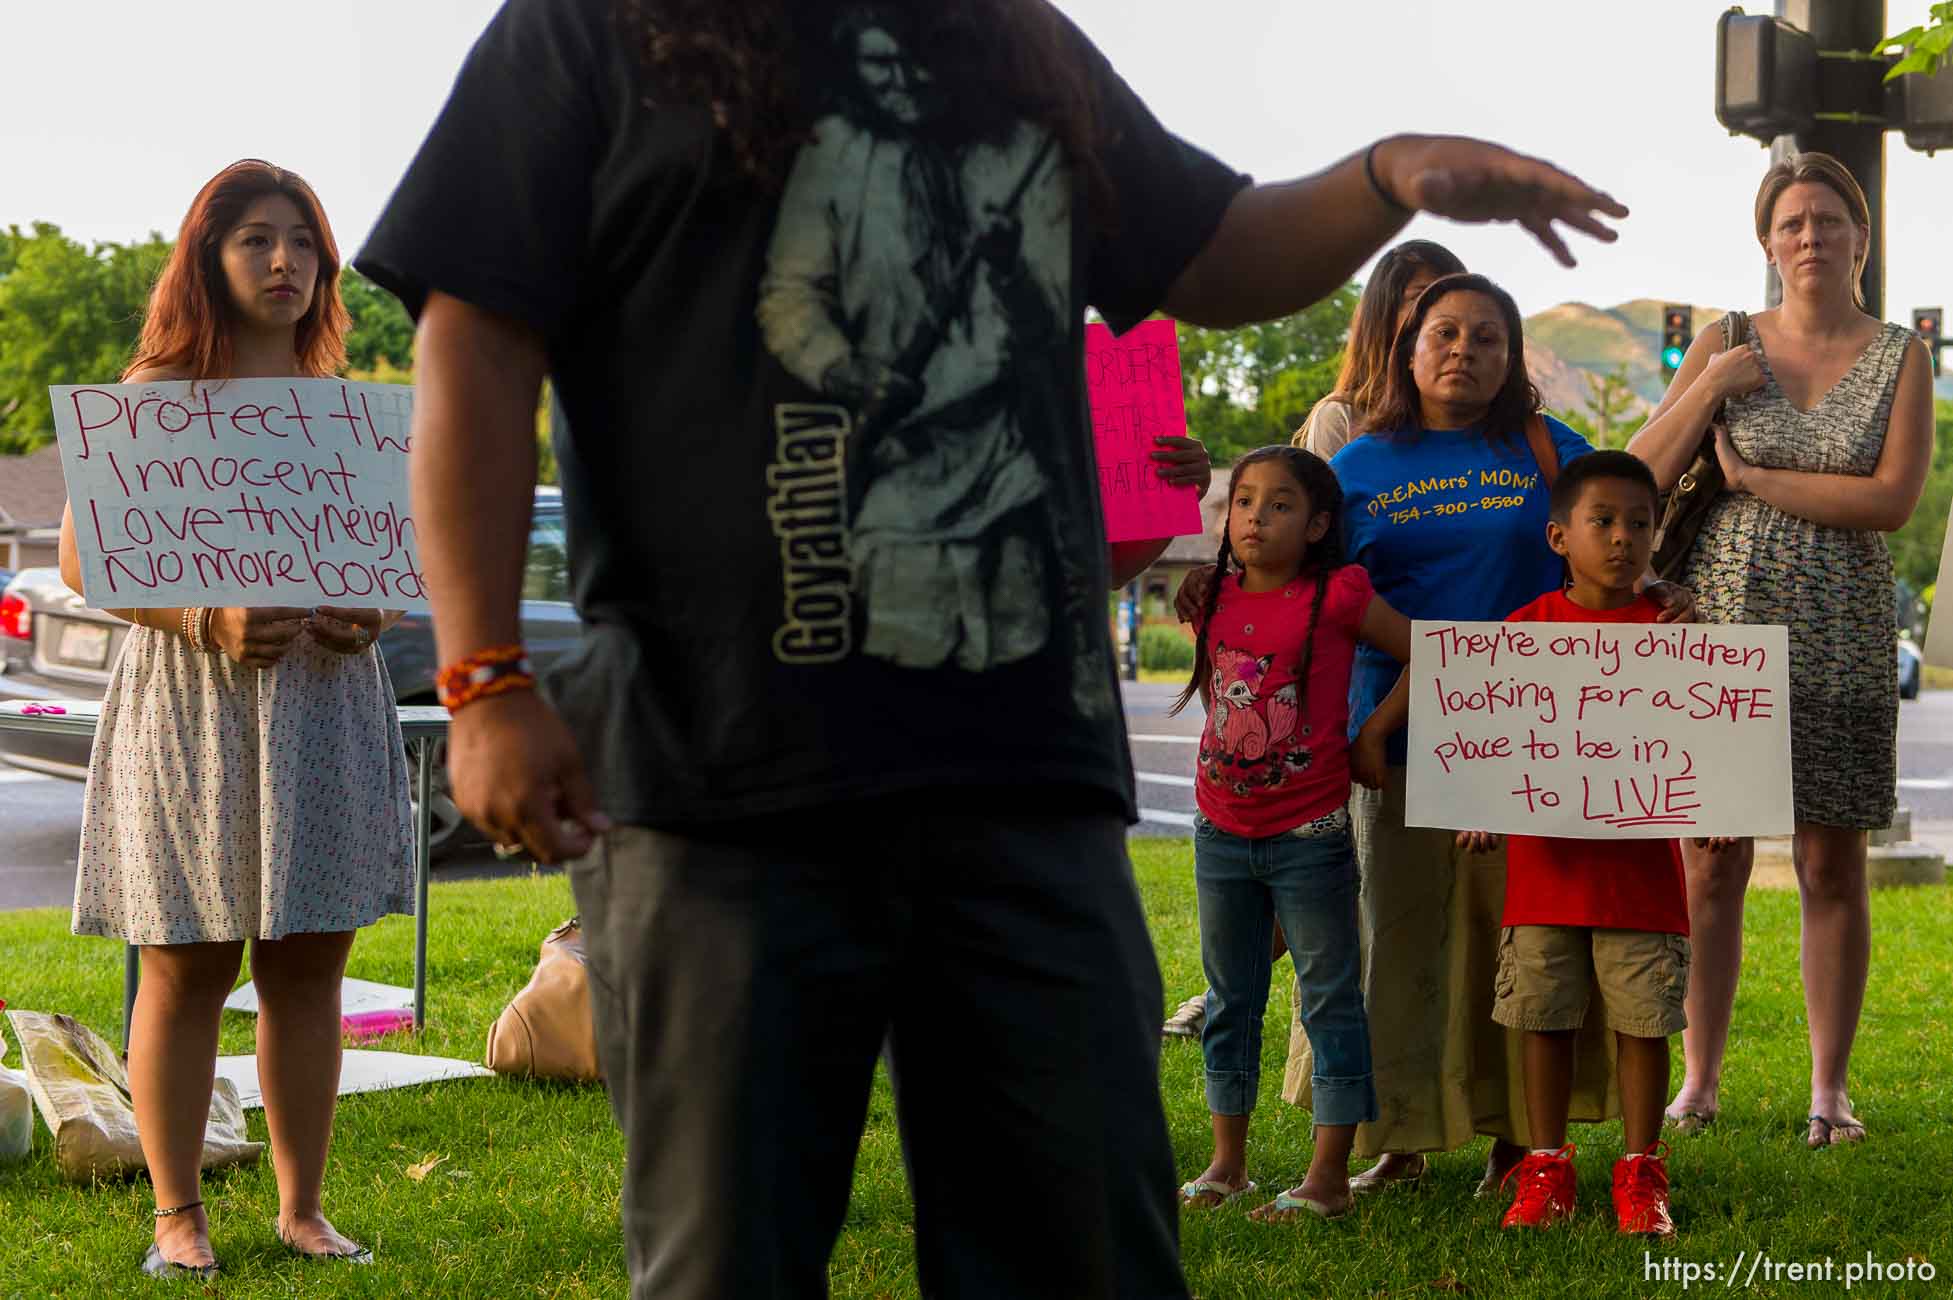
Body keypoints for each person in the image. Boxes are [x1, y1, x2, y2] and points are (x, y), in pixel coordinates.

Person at [356, 0, 1627, 1291]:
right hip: (726, 787)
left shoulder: (1017, 41)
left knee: (1079, 1251)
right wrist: (480, 678)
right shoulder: (591, 32)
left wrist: (1386, 175)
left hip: (1028, 790)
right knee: (727, 1259)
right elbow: (471, 344)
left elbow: (1215, 248)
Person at [57, 159, 411, 1280]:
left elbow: (394, 562)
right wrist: (204, 615)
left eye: (303, 241)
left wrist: (375, 608)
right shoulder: (158, 392)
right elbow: (80, 558)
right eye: (257, 239)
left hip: (321, 697)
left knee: (309, 968)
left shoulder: (345, 407)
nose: (284, 262)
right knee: (185, 966)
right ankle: (179, 1216)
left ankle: (303, 1209)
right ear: (207, 257)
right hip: (189, 701)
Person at [1274, 273, 1696, 1198]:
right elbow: (1334, 591)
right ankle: (1402, 1139)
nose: (1464, 351)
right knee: (1401, 941)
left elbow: (1612, 519)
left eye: (1488, 338)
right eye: (1445, 334)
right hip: (1396, 732)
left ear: (1511, 358)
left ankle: (1522, 1150)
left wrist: (1656, 588)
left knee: (1521, 947)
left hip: (1540, 742)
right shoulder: (1359, 465)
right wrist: (1444, 663)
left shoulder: (1543, 445)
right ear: (1408, 347)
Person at [1626, 152, 1934, 1149]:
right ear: (1767, 242)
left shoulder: (1901, 356)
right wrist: (1712, 380)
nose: (1809, 235)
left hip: (1842, 630)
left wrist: (1755, 479)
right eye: (1791, 221)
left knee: (1829, 862)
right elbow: (1636, 472)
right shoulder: (1723, 342)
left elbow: (1888, 500)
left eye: (1828, 219)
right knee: (1709, 863)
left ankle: (1828, 1092)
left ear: (1861, 237)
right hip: (1717, 632)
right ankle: (1699, 1081)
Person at [1163, 237, 1466, 1041]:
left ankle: (1234, 995)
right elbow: (1305, 549)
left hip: (1432, 666)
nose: (1435, 321)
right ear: (1384, 315)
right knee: (1333, 878)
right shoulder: (1343, 420)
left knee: (1383, 891)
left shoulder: (1466, 431)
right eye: (1417, 301)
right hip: (1350, 665)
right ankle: (1225, 993)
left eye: (1447, 302)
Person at [1170, 446, 1411, 1222]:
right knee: (1231, 998)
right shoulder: (1207, 595)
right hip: (1218, 829)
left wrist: (1370, 736)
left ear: (1315, 525)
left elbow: (1429, 653)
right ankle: (1225, 1166)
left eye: (1278, 505)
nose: (1255, 518)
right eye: (1243, 502)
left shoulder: (1338, 594)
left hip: (1310, 836)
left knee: (1328, 999)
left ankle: (1328, 1177)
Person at [1468, 450, 1696, 1237]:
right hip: (1543, 876)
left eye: (1640, 522)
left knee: (1643, 1025)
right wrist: (1479, 801)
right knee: (1542, 1020)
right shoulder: (1524, 630)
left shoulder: (1676, 630)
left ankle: (1641, 1176)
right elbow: (1491, 738)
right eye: (1601, 521)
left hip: (1641, 879)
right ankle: (1544, 1168)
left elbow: (1708, 738)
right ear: (1559, 535)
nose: (1623, 538)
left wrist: (1726, 802)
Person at [1294, 239, 1468, 460]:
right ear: (1384, 315)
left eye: (1456, 299)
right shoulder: (1343, 417)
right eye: (1423, 298)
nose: (1444, 314)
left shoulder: (1492, 415)